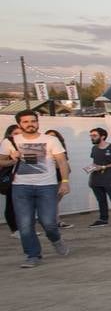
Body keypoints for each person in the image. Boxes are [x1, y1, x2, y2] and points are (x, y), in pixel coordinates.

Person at [0, 110, 72, 268]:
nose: (30, 124)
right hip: (21, 187)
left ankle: (56, 239)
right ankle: (33, 255)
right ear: (19, 124)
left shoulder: (50, 140)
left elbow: (61, 161)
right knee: (25, 225)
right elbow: (1, 162)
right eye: (25, 122)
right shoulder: (10, 141)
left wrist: (65, 182)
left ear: (37, 122)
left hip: (46, 186)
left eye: (33, 121)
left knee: (49, 223)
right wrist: (12, 160)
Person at [87, 126, 111, 226]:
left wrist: (104, 167)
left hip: (108, 179)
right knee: (101, 200)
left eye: (95, 135)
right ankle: (103, 219)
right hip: (95, 179)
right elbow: (95, 162)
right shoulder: (94, 148)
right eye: (91, 135)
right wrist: (90, 169)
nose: (92, 137)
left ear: (103, 136)